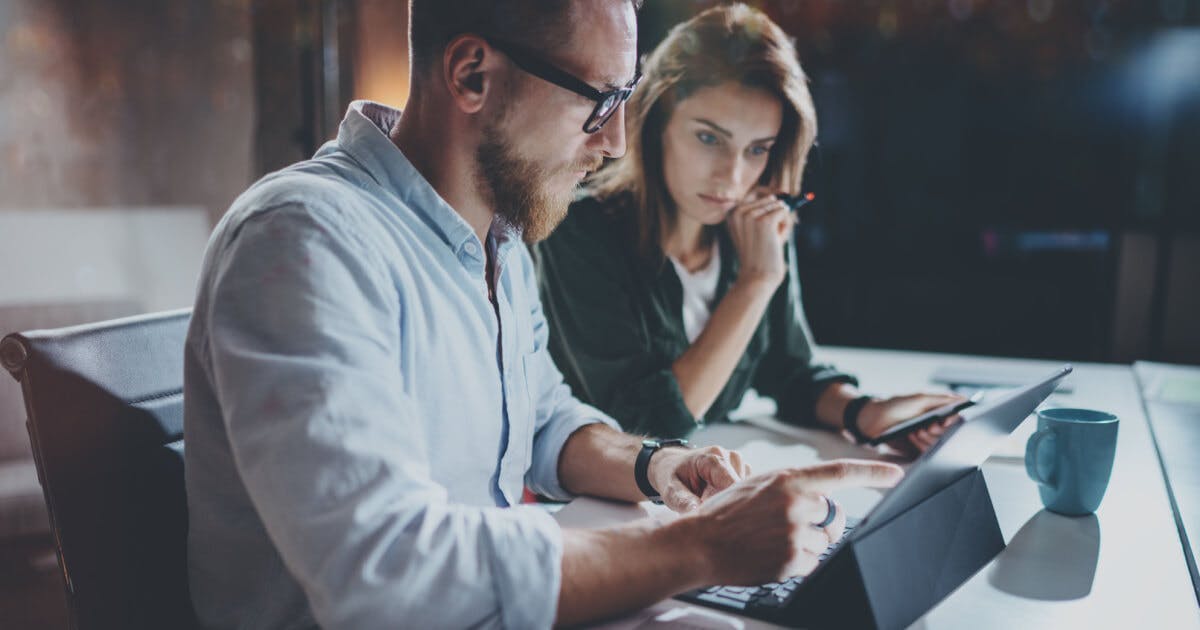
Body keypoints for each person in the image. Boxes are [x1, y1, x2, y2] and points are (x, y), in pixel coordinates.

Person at [183, 1, 903, 628]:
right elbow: (388, 577)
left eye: (627, 97)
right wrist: (703, 546)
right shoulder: (307, 238)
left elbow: (542, 420)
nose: (616, 140)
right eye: (598, 100)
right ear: (471, 73)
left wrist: (661, 466)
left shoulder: (501, 243)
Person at [533, 4, 964, 453]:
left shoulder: (754, 218)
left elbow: (791, 371)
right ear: (657, 123)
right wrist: (755, 283)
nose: (733, 178)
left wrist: (866, 412)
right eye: (709, 138)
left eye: (757, 149)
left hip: (711, 479)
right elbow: (646, 425)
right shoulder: (578, 231)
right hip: (599, 505)